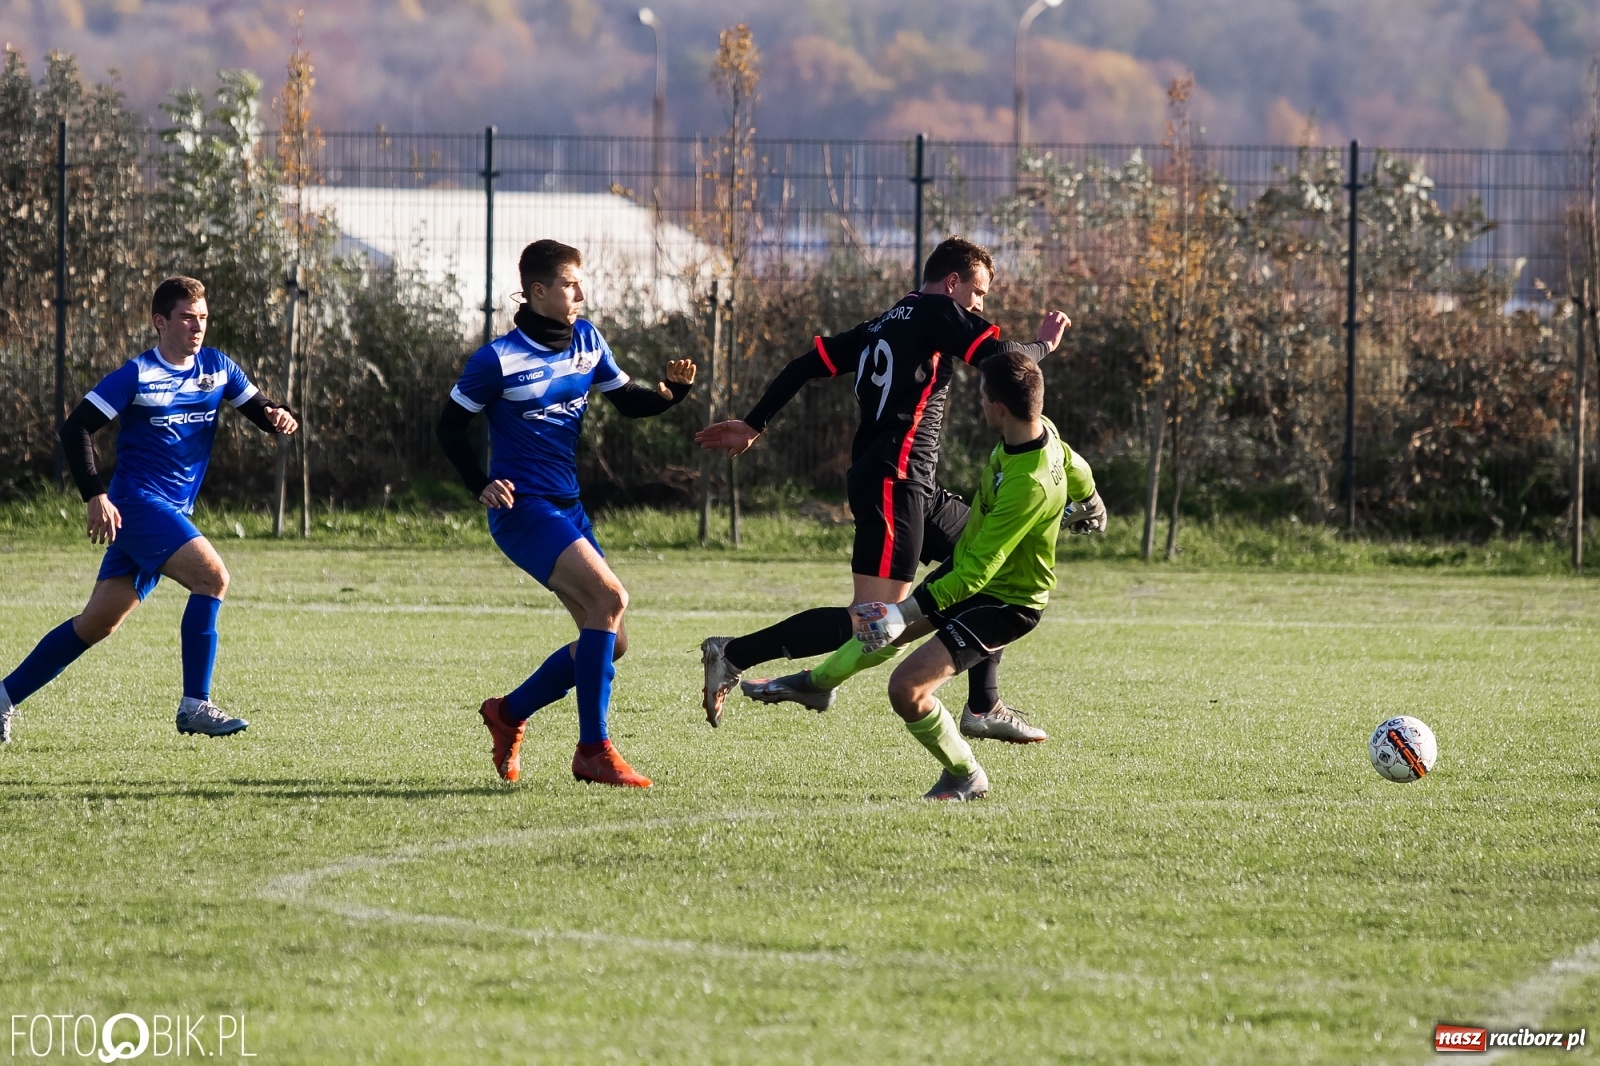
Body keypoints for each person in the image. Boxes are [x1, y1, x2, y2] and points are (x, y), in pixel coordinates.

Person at [695, 236, 1100, 738]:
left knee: (991, 569)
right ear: (952, 282)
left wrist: (755, 422)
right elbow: (1002, 359)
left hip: (911, 485)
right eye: (978, 293)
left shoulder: (882, 325)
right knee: (874, 619)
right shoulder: (936, 310)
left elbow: (804, 364)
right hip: (894, 481)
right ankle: (734, 653)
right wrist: (1043, 345)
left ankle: (983, 707)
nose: (979, 306)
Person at [437, 239, 696, 789]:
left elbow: (628, 401)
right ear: (537, 291)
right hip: (522, 509)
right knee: (612, 599)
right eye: (570, 284)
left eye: (580, 283)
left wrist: (670, 395)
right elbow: (447, 426)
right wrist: (480, 483)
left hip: (568, 506)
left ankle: (508, 713)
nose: (581, 293)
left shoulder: (587, 340)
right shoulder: (497, 360)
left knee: (612, 639)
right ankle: (592, 751)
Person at [0, 276, 298, 743]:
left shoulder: (217, 367)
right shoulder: (137, 375)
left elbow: (258, 407)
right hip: (138, 504)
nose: (196, 326)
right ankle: (195, 703)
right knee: (212, 577)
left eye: (202, 317)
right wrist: (95, 495)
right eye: (186, 317)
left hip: (168, 511)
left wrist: (277, 414)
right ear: (160, 321)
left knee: (97, 623)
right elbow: (76, 428)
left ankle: (3, 696)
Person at [850, 352, 1092, 800]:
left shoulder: (1029, 483)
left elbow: (978, 570)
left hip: (1007, 603)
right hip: (985, 586)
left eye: (981, 396)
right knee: (884, 637)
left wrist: (905, 610)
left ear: (997, 405)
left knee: (906, 688)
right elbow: (1076, 466)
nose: (978, 403)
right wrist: (1091, 501)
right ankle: (814, 683)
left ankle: (967, 775)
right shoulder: (1042, 432)